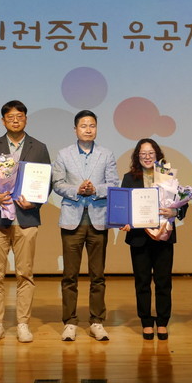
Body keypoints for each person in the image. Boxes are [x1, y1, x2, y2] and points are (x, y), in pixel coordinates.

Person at [0, 100, 51, 344]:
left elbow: (46, 182)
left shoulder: (39, 147)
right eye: (10, 117)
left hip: (26, 218)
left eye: (20, 116)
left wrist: (35, 202)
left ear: (26, 119)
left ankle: (23, 323)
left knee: (25, 274)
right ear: (3, 121)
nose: (16, 120)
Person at [51, 109, 118, 342]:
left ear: (96, 128)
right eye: (83, 125)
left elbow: (113, 183)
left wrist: (95, 189)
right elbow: (57, 183)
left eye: (92, 125)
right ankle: (70, 322)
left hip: (98, 220)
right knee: (70, 276)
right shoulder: (64, 154)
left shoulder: (106, 154)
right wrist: (76, 190)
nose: (88, 129)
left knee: (97, 275)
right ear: (75, 129)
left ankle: (97, 321)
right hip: (72, 220)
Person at [121, 138, 185, 340]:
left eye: (151, 153)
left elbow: (181, 203)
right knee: (142, 282)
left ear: (157, 155)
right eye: (143, 154)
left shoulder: (168, 176)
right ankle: (146, 322)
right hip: (139, 237)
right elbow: (123, 205)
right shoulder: (129, 178)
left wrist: (175, 212)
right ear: (137, 157)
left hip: (163, 235)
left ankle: (163, 321)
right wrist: (124, 220)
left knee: (163, 281)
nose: (147, 157)